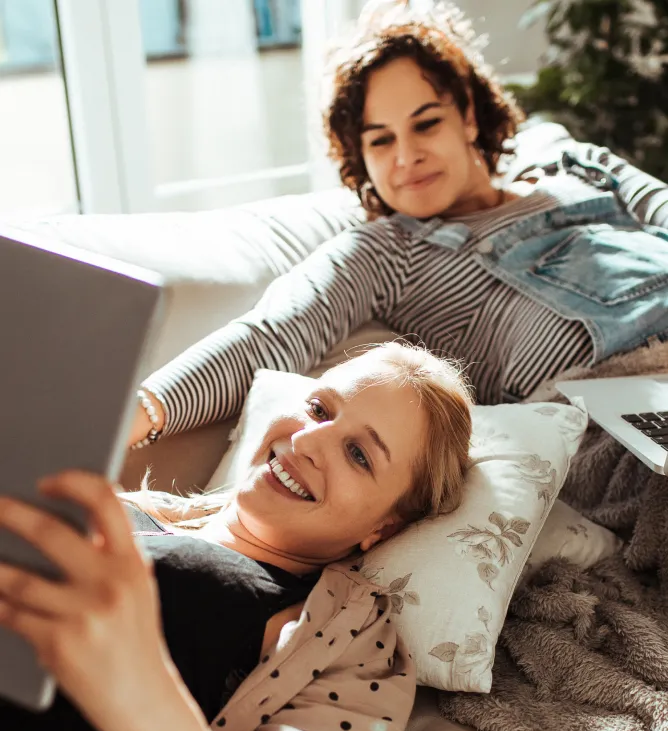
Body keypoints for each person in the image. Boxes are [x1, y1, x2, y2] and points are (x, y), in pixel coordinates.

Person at [0, 342, 472, 731]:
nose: (305, 441)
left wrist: (137, 689)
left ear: (384, 528)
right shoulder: (114, 508)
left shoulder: (343, 646)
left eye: (358, 454)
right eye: (320, 409)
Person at [127, 0, 668, 453]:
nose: (406, 156)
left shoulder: (567, 159)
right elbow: (269, 336)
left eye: (426, 123)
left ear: (469, 116)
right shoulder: (386, 253)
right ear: (360, 157)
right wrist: (141, 411)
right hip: (611, 422)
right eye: (380, 139)